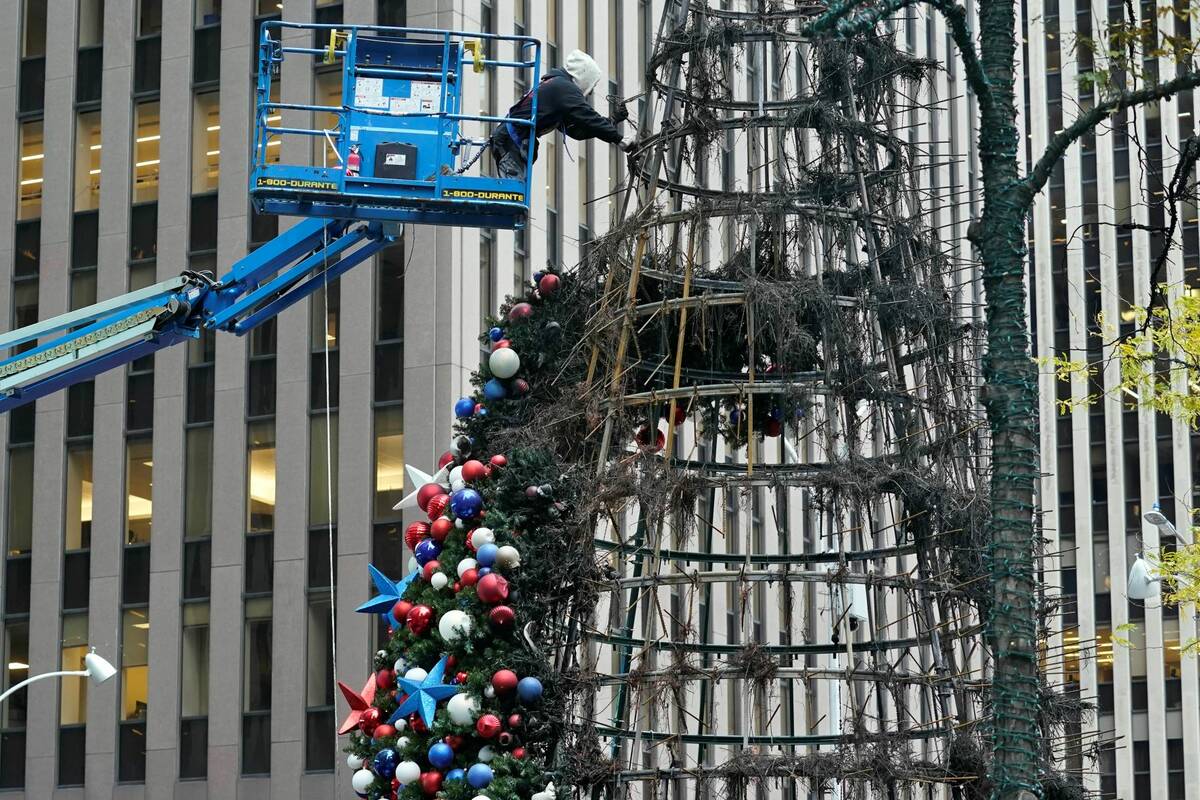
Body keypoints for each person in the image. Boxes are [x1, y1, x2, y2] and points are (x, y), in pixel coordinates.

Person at [490, 49, 637, 180]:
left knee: (516, 197)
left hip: (510, 139)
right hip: (511, 141)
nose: (591, 92)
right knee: (514, 197)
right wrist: (619, 138)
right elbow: (587, 117)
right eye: (592, 85)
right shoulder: (563, 88)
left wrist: (612, 121)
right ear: (584, 77)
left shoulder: (557, 88)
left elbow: (577, 130)